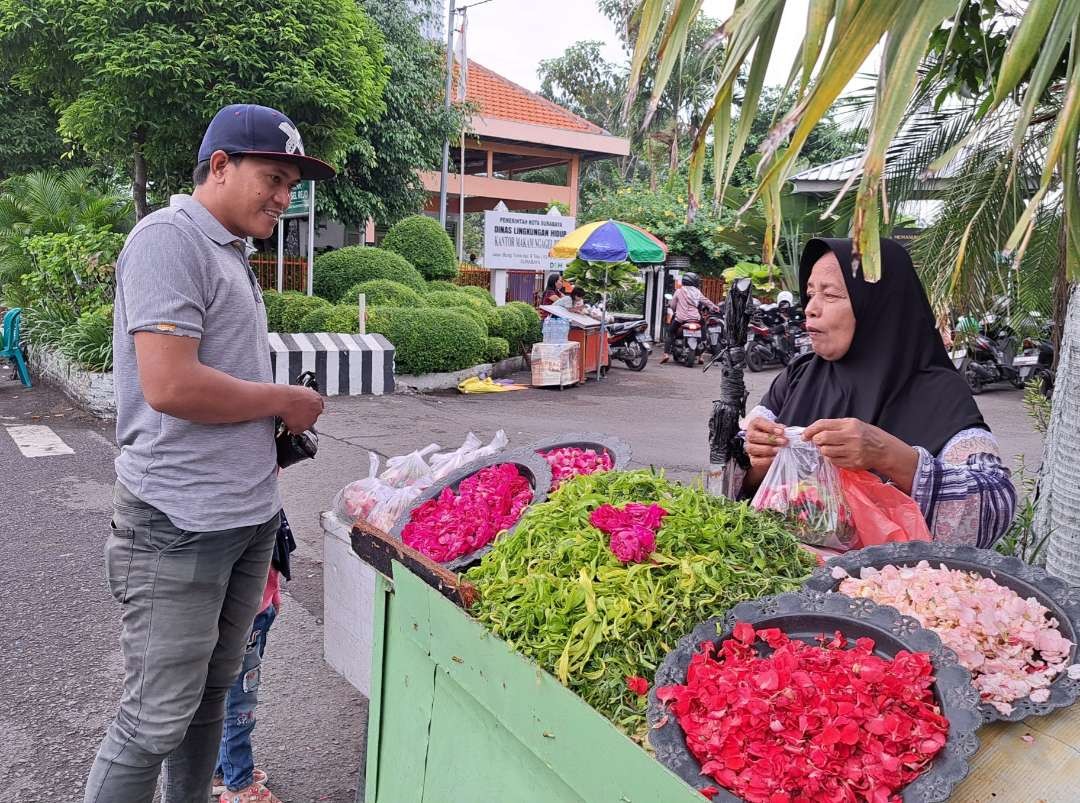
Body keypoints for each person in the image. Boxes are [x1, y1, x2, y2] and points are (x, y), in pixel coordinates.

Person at [85, 104, 330, 803]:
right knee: (153, 719)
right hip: (176, 524)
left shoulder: (227, 250)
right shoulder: (169, 239)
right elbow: (169, 383)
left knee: (207, 700)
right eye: (273, 178)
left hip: (244, 522)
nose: (285, 197)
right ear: (219, 166)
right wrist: (281, 401)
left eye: (291, 184)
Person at [742, 238, 1016, 548]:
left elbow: (995, 503)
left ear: (879, 304)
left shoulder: (938, 392)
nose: (811, 309)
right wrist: (759, 465)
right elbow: (737, 474)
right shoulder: (799, 376)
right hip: (778, 577)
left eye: (830, 294)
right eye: (809, 294)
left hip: (880, 587)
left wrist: (888, 455)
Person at [211, 513, 293, 803]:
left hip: (258, 605)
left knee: (227, 695)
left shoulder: (257, 489)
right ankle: (239, 784)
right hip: (242, 614)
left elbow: (270, 547)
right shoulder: (236, 489)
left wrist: (274, 594)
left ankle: (222, 770)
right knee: (239, 702)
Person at [661, 272, 719, 364]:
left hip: (681, 318)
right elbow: (705, 301)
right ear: (695, 282)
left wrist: (675, 309)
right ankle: (701, 356)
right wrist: (714, 307)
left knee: (671, 332)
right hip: (695, 318)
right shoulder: (697, 292)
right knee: (703, 331)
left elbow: (672, 304)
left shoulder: (679, 291)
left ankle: (666, 354)